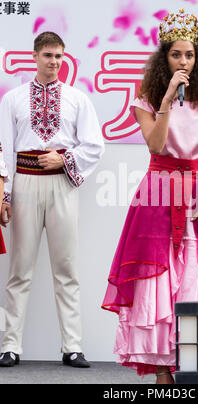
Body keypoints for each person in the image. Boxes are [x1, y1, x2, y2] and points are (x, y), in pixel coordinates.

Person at [102, 10, 198, 384]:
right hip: (158, 192)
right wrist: (164, 98)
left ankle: (192, 370)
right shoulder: (146, 98)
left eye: (189, 55)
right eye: (176, 55)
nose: (184, 61)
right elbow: (157, 144)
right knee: (157, 281)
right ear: (165, 58)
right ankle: (162, 371)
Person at [0, 32, 104, 367]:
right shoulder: (13, 99)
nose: (54, 62)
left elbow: (94, 145)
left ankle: (72, 346)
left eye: (59, 56)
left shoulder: (77, 99)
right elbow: (3, 148)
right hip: (25, 184)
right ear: (34, 56)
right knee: (19, 270)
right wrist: (4, 194)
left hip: (62, 184)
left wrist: (64, 159)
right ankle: (10, 345)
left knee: (66, 268)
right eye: (47, 55)